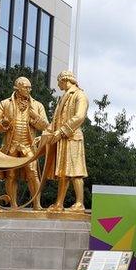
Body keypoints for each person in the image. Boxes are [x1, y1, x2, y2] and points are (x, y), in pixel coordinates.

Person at [0, 77, 49, 209]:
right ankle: (13, 205)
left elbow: (46, 125)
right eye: (26, 87)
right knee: (10, 175)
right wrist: (3, 124)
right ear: (17, 88)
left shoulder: (37, 105)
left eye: (30, 87)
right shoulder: (5, 104)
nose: (29, 90)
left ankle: (37, 204)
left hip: (28, 145)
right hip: (10, 145)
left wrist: (35, 117)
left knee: (33, 173)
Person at [43, 70, 89, 211]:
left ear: (65, 80)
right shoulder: (63, 97)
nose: (58, 84)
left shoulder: (79, 95)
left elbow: (80, 117)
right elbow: (55, 120)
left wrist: (61, 131)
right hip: (62, 139)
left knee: (76, 171)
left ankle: (79, 203)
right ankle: (59, 203)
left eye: (59, 82)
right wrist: (46, 134)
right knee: (64, 172)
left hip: (73, 138)